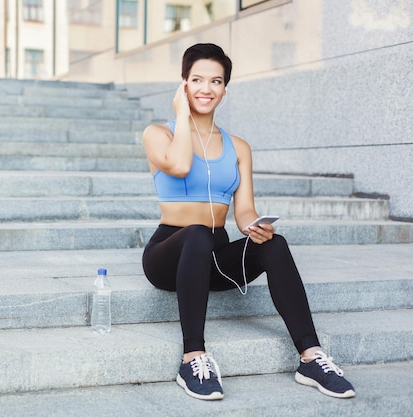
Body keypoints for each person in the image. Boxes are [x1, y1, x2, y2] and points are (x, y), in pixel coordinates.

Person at [141, 43, 355, 401]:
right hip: (169, 253)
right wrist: (181, 114)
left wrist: (256, 226)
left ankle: (311, 356)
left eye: (215, 81)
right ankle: (192, 357)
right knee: (195, 233)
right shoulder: (158, 134)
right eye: (196, 80)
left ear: (225, 88)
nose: (205, 88)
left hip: (214, 255)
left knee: (275, 243)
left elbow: (243, 211)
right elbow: (178, 165)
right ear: (183, 84)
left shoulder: (238, 147)